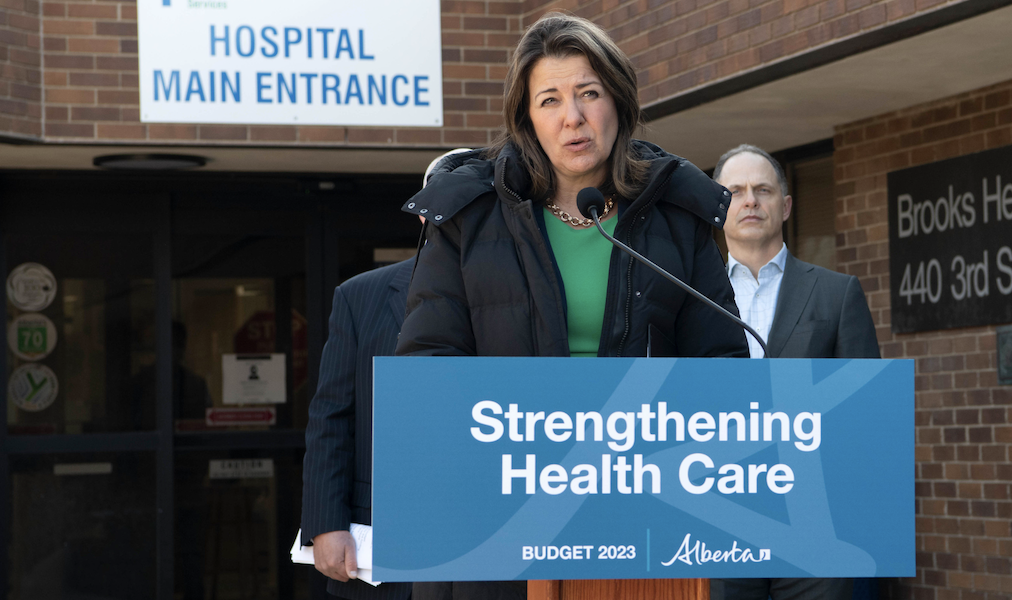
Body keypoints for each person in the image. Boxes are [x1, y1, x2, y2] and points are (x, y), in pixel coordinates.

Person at [396, 12, 749, 599]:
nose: (573, 118)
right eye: (550, 100)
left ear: (620, 102)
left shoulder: (676, 216)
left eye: (589, 93)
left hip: (641, 519)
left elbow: (722, 370)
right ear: (526, 119)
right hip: (504, 517)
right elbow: (428, 369)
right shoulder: (467, 218)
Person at [710, 144, 881, 600]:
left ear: (785, 206)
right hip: (719, 520)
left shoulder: (837, 294)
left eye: (763, 190)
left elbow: (864, 414)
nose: (750, 201)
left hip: (818, 527)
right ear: (716, 209)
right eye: (736, 191)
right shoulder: (687, 299)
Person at [300, 254, 417, 600]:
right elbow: (332, 417)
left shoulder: (522, 287)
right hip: (379, 541)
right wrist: (326, 524)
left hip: (488, 541)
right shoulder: (361, 294)